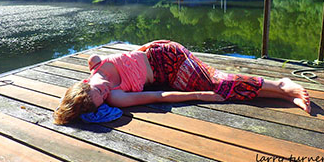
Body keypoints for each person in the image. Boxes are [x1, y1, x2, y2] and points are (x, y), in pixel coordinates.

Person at [53, 40, 310, 125]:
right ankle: (283, 94)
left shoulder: (95, 61)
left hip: (167, 54)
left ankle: (282, 86)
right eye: (102, 97)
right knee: (214, 88)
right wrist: (199, 96)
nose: (106, 90)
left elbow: (134, 54)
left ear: (86, 83)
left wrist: (148, 47)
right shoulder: (115, 97)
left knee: (217, 83)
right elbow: (159, 97)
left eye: (100, 89)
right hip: (169, 75)